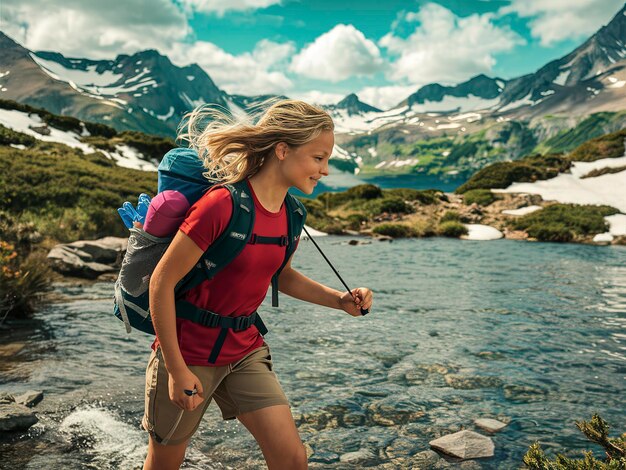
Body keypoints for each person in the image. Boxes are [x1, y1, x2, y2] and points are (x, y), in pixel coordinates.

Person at [141, 99, 374, 470]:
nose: (325, 170)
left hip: (243, 350)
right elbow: (161, 283)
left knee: (292, 459)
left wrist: (339, 300)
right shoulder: (221, 206)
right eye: (318, 158)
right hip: (188, 353)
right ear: (283, 150)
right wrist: (176, 368)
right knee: (165, 462)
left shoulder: (292, 214)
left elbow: (279, 274)